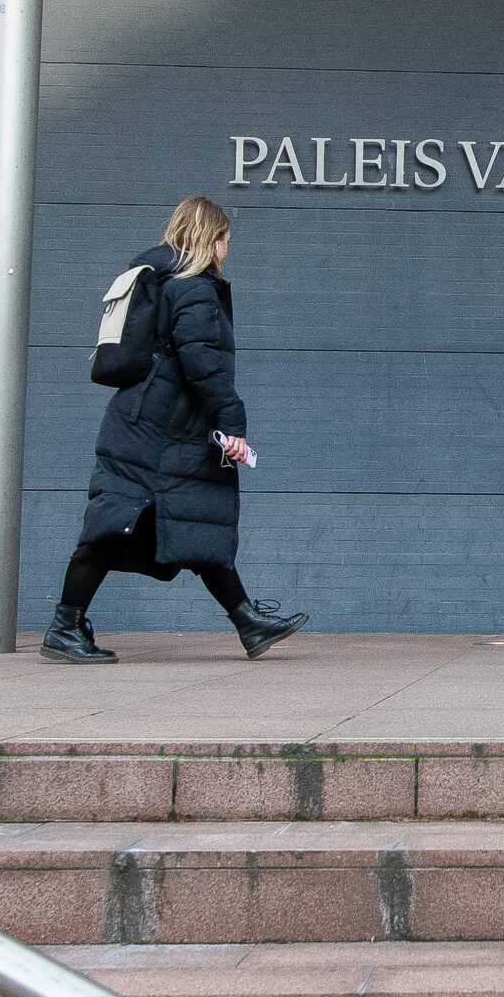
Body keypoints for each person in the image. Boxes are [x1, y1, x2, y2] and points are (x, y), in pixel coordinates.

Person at [43, 195, 307, 664]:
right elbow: (201, 361)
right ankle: (65, 626)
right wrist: (232, 420)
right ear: (213, 239)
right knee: (115, 528)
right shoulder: (194, 288)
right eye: (226, 239)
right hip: (161, 432)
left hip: (150, 424)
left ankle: (248, 622)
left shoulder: (166, 279)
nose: (228, 249)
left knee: (192, 519)